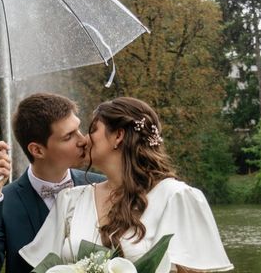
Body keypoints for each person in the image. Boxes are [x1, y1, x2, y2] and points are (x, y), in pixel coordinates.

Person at [19, 97, 234, 273]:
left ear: (118, 136)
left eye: (92, 129)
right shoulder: (71, 200)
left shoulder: (174, 197)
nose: (84, 139)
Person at [0, 92, 104, 273]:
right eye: (69, 136)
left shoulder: (100, 187)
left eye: (79, 129)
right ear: (37, 150)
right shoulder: (5, 203)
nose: (83, 140)